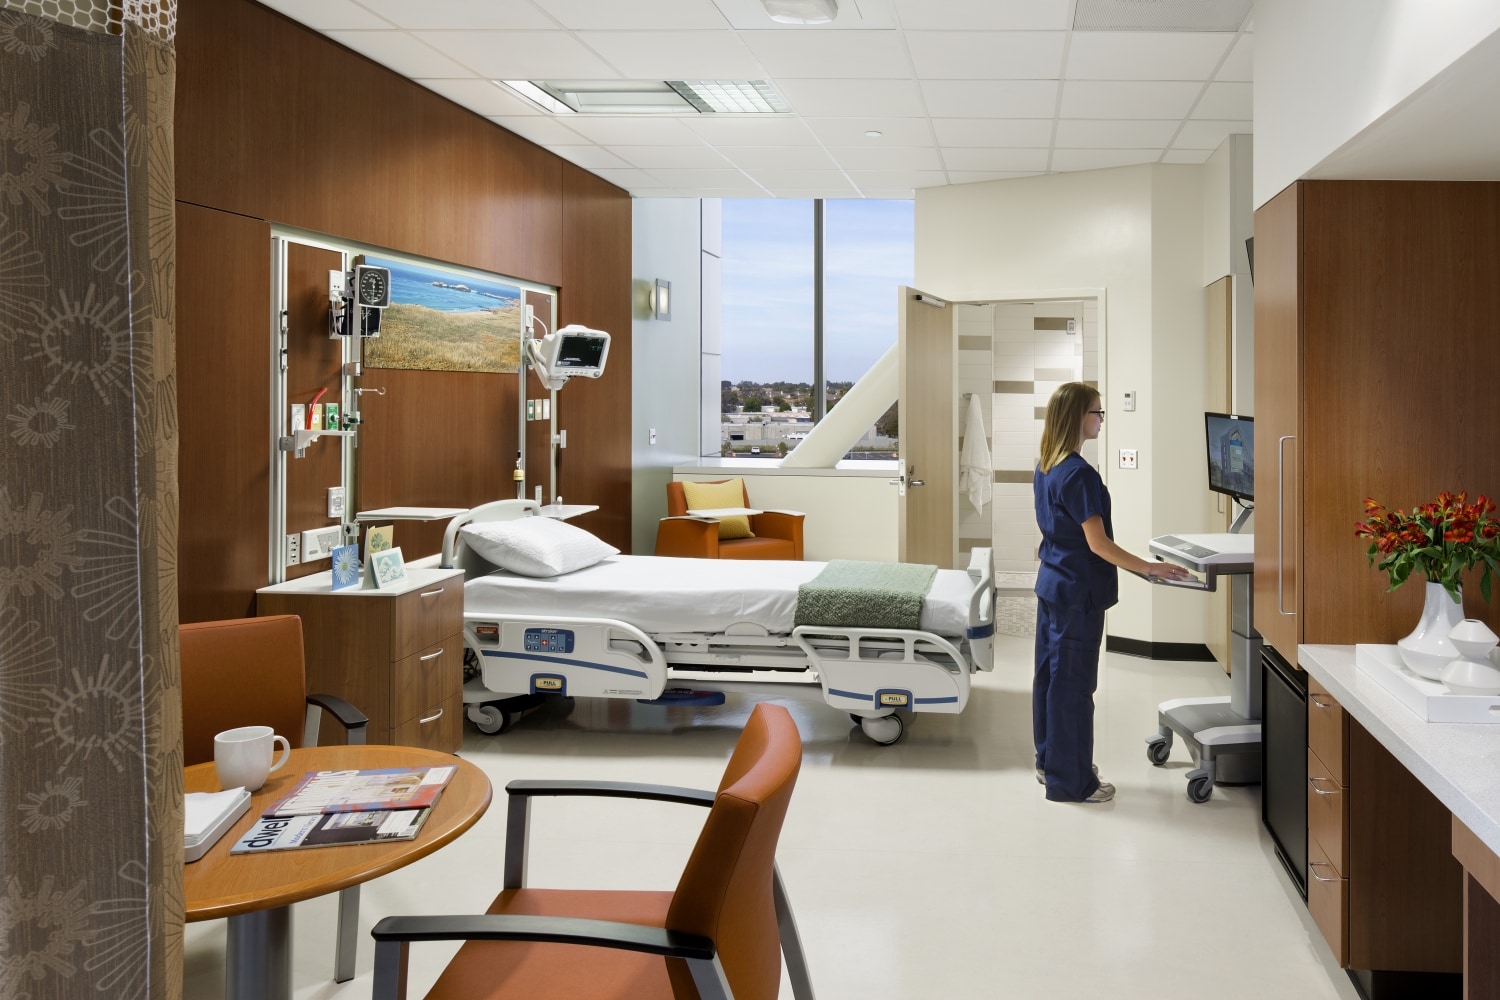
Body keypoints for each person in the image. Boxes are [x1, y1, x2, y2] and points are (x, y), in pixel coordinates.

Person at [1033, 382, 1192, 803]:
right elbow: (1098, 544)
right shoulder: (1079, 474)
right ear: (1077, 419)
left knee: (1049, 679)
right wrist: (1149, 568)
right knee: (1073, 687)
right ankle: (1071, 782)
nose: (1101, 420)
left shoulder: (1047, 465)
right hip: (1076, 594)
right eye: (1096, 413)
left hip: (1052, 584)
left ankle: (1051, 763)